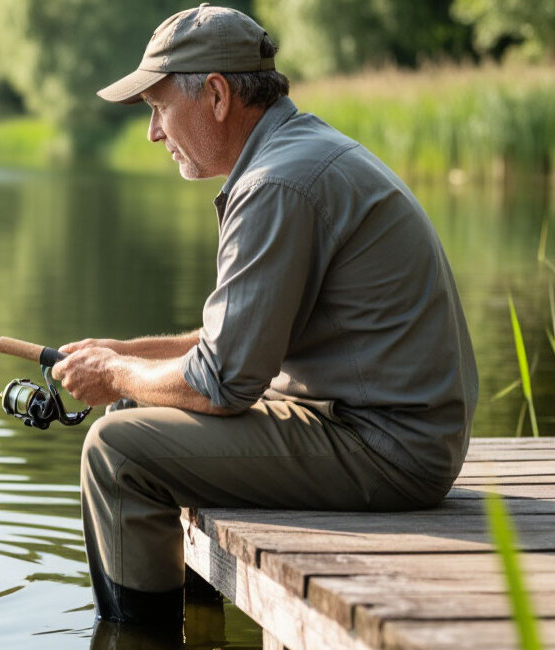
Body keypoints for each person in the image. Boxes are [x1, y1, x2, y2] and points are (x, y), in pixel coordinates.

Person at [51, 2, 479, 631]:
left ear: (216, 95)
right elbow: (236, 341)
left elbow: (222, 383)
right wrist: (125, 355)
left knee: (117, 451)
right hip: (376, 427)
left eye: (158, 108)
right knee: (133, 412)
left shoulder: (277, 183)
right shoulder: (293, 155)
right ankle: (200, 626)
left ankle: (141, 638)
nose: (153, 133)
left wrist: (115, 374)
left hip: (389, 450)